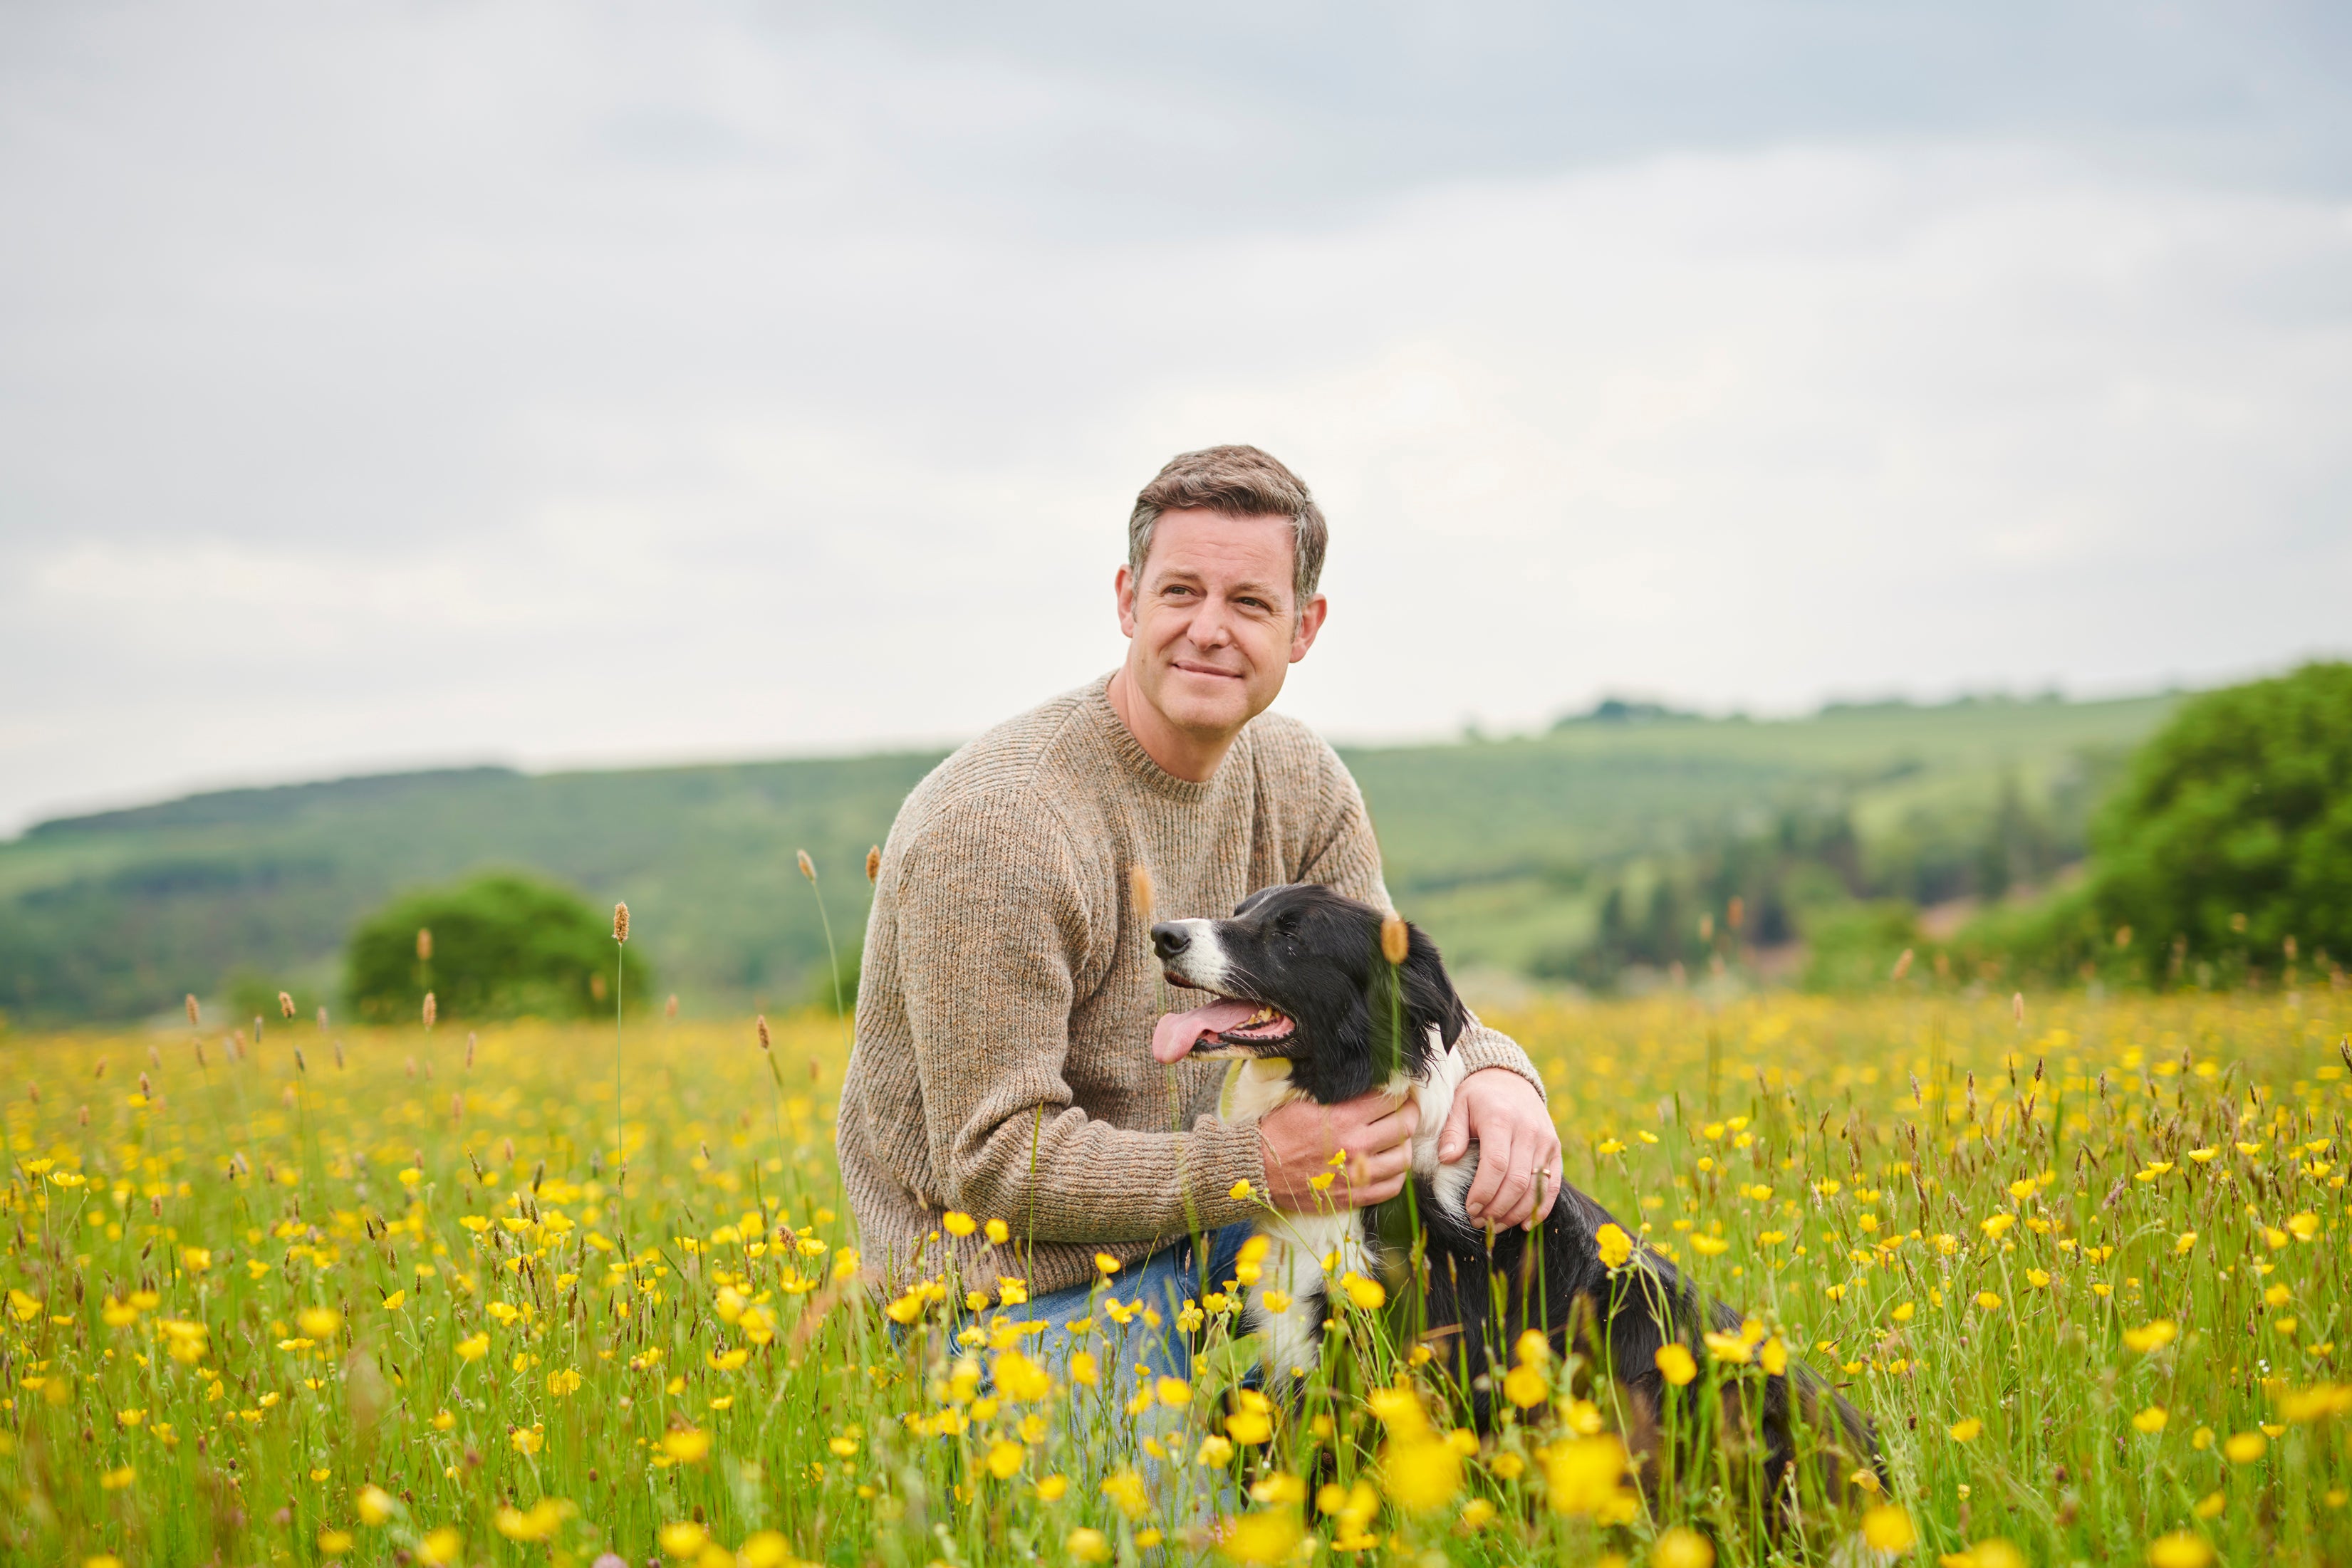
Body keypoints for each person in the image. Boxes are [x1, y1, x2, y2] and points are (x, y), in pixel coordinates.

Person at [836, 444, 1561, 1383]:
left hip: (1233, 1224)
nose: (1209, 630)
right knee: (1172, 1532)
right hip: (1022, 1284)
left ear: (1303, 626)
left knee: (1520, 1243)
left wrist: (1501, 1079)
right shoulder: (997, 825)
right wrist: (1256, 1163)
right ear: (1127, 599)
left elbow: (1388, 1009)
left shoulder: (1300, 780)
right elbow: (995, 1163)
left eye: (1249, 603)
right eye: (1180, 592)